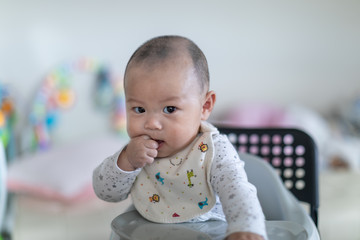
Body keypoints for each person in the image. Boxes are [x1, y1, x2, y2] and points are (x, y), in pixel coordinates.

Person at [93, 35, 267, 240]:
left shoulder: (214, 150)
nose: (151, 124)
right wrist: (126, 162)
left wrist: (245, 227)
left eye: (170, 109)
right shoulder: (136, 153)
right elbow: (106, 193)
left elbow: (237, 190)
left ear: (205, 107)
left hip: (211, 231)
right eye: (139, 109)